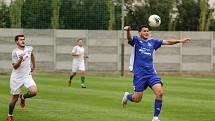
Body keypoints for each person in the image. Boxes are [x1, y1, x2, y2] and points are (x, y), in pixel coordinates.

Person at [122, 25, 191, 121]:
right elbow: (129, 38)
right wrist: (128, 30)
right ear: (139, 33)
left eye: (147, 31)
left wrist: (180, 41)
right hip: (139, 75)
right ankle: (128, 96)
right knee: (137, 99)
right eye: (144, 31)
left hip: (151, 74)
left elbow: (167, 42)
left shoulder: (153, 42)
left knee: (160, 92)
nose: (146, 32)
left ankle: (155, 117)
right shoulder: (136, 41)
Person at [7, 35, 37, 121]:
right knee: (15, 98)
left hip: (27, 75)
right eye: (20, 40)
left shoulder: (29, 48)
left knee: (34, 92)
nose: (23, 41)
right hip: (16, 78)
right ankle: (10, 115)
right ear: (17, 42)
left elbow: (32, 56)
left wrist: (34, 66)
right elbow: (15, 67)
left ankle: (23, 97)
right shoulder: (14, 52)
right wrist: (20, 59)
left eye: (23, 39)